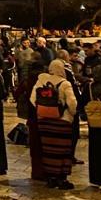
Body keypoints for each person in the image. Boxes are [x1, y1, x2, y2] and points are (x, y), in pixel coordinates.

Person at [30, 58, 78, 189]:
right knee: (63, 151)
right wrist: (71, 114)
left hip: (44, 122)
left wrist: (43, 111)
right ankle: (62, 178)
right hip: (62, 122)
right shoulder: (65, 83)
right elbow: (72, 103)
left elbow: (33, 98)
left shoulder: (41, 82)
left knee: (48, 151)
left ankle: (51, 177)